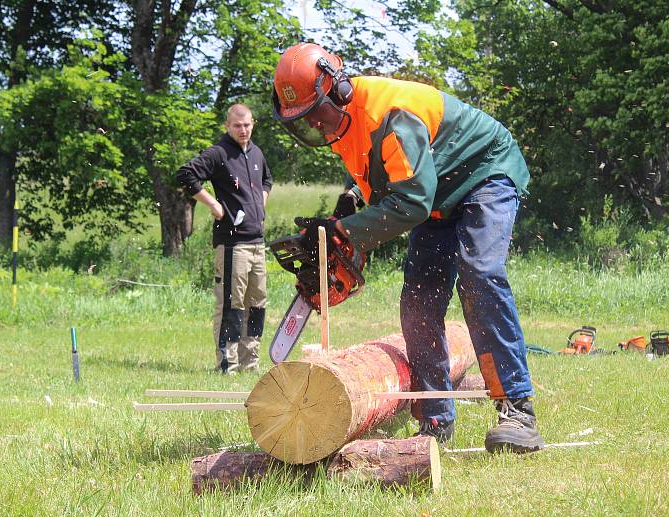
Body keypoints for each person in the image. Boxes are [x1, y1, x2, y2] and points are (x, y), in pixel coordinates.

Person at [271, 43, 543, 453]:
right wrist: (349, 206)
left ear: (340, 89)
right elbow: (385, 178)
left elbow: (412, 201)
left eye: (318, 114)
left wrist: (345, 231)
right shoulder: (343, 124)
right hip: (435, 196)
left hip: (484, 172)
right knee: (418, 298)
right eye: (305, 121)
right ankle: (434, 415)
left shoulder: (391, 115)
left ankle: (517, 409)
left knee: (480, 271)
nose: (317, 126)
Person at [177, 103, 272, 375]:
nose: (243, 130)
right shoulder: (219, 154)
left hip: (257, 241)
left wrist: (261, 203)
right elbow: (186, 174)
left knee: (257, 303)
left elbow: (267, 180)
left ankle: (250, 363)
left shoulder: (256, 153)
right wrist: (213, 205)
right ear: (227, 126)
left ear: (253, 124)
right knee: (232, 303)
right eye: (237, 126)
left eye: (247, 125)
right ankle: (226, 364)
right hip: (233, 243)